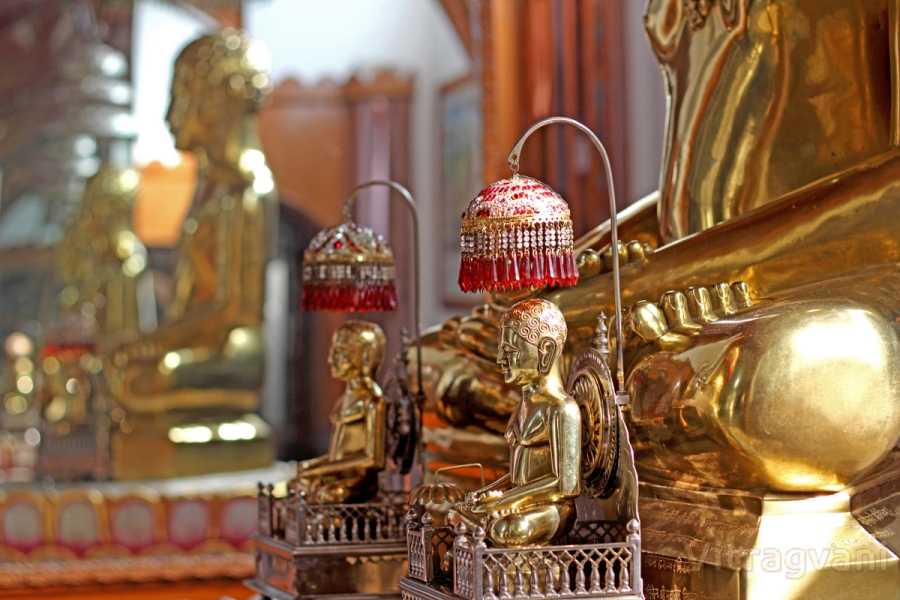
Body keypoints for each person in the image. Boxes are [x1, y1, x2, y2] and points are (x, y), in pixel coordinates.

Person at [449, 299, 580, 547]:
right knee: (457, 515)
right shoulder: (523, 405)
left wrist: (502, 502)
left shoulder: (561, 408)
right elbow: (519, 474)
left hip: (551, 508)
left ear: (546, 351)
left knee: (507, 530)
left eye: (509, 351)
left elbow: (565, 485)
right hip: (519, 501)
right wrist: (486, 494)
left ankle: (511, 559)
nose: (500, 359)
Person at [298, 321, 387, 504]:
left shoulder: (372, 401)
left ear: (366, 355)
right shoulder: (343, 399)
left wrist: (321, 469)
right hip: (338, 474)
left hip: (361, 481)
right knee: (298, 485)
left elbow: (374, 459)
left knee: (329, 496)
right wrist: (315, 466)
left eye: (342, 351)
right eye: (333, 351)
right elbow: (338, 456)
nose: (331, 359)